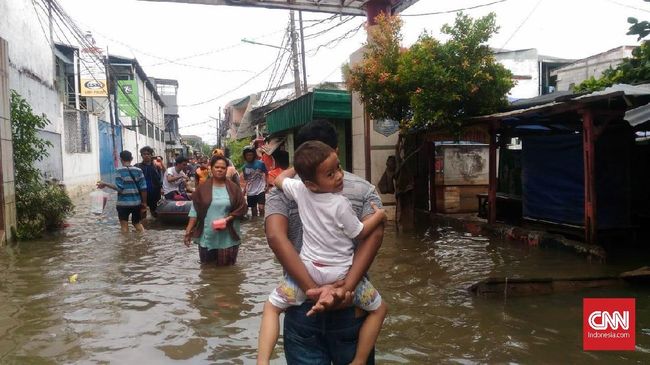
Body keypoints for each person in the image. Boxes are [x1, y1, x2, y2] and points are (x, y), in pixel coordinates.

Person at [264, 120, 385, 364]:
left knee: (272, 308)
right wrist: (346, 288)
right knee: (379, 310)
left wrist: (310, 288)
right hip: (350, 302)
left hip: (301, 301)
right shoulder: (363, 190)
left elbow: (276, 237)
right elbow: (373, 235)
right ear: (336, 151)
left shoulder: (292, 189)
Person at [183, 155, 248, 265]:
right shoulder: (202, 189)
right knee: (207, 271)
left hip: (228, 237)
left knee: (229, 272)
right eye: (217, 167)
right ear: (211, 168)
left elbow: (242, 208)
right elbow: (194, 211)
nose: (219, 169)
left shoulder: (234, 189)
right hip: (207, 236)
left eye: (223, 168)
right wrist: (188, 231)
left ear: (226, 169)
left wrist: (229, 218)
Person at [97, 150, 147, 233]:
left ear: (121, 159)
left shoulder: (119, 171)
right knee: (137, 224)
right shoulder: (138, 170)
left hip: (123, 204)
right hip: (136, 203)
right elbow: (144, 188)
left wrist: (105, 184)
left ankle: (126, 245)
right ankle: (143, 240)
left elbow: (119, 188)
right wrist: (144, 203)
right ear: (131, 158)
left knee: (124, 227)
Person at [135, 146, 162, 217]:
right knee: (142, 214)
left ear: (151, 155)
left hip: (154, 193)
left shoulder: (156, 167)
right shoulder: (137, 167)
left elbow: (161, 179)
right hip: (141, 193)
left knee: (155, 213)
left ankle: (152, 227)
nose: (146, 155)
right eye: (144, 154)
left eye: (148, 154)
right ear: (141, 155)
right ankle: (145, 227)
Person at [242, 145, 268, 217]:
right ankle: (255, 223)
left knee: (261, 208)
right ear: (245, 156)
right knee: (253, 210)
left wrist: (267, 184)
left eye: (251, 155)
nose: (249, 156)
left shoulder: (261, 163)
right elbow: (247, 180)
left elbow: (266, 173)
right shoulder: (244, 167)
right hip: (250, 191)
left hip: (260, 188)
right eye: (247, 155)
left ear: (254, 155)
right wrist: (244, 191)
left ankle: (262, 223)